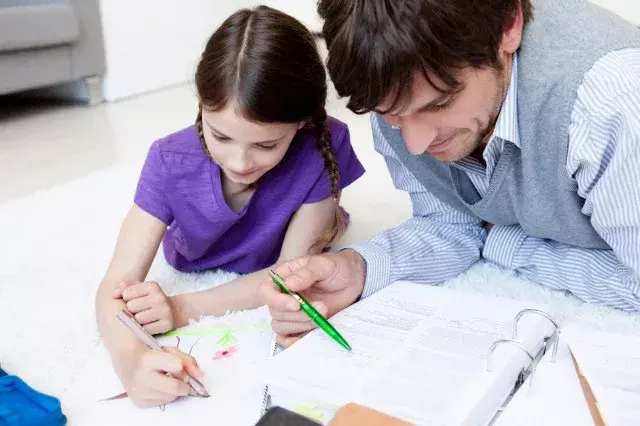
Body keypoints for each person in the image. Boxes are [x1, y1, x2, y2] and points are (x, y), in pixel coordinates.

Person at [260, 0, 640, 348]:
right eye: (390, 114)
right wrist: (357, 269)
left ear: (510, 25)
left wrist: (503, 243)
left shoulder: (611, 105)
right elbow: (450, 220)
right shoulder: (393, 95)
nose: (415, 144)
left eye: (439, 104)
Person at [95, 6, 365, 408]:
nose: (240, 164)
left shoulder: (324, 145)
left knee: (321, 249)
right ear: (201, 104)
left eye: (266, 145)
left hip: (299, 245)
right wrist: (131, 361)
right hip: (198, 256)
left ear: (302, 124)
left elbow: (288, 276)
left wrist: (181, 307)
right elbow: (112, 290)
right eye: (220, 135)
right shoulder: (169, 161)